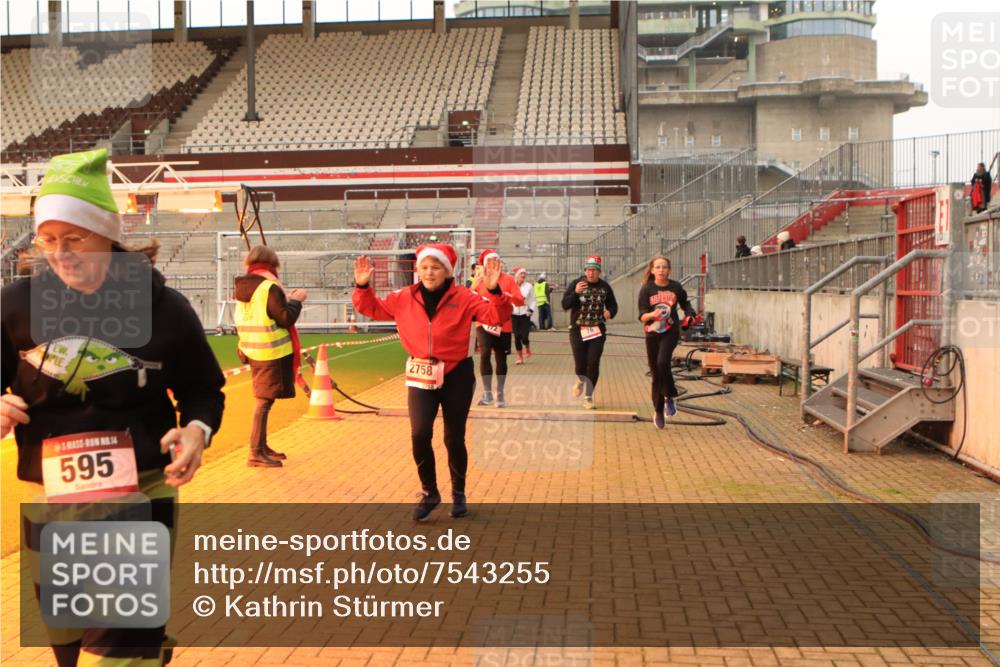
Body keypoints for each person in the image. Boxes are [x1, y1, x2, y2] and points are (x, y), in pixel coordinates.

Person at [0, 148, 225, 666]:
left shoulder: (163, 307)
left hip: (140, 489)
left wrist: (196, 430)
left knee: (118, 645)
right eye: (48, 239)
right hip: (51, 493)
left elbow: (204, 389)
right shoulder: (15, 306)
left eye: (75, 238)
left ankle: (140, 644)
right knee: (65, 627)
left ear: (107, 234)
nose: (60, 253)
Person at [352, 244, 512, 520]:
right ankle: (430, 492)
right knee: (419, 433)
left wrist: (495, 290)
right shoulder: (404, 296)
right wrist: (362, 286)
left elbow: (497, 316)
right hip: (421, 373)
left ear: (447, 271)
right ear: (418, 270)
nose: (429, 272)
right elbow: (372, 309)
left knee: (453, 437)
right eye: (424, 267)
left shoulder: (464, 297)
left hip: (457, 374)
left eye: (435, 267)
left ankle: (458, 493)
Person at [233, 245, 307, 468]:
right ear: (273, 264)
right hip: (271, 352)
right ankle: (255, 452)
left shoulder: (245, 287)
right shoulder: (268, 287)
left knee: (265, 400)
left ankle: (261, 446)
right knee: (263, 402)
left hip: (252, 350)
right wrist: (296, 301)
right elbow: (285, 318)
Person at [638, 256, 697, 429]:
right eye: (658, 267)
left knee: (663, 362)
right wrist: (652, 315)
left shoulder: (675, 287)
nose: (661, 270)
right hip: (652, 332)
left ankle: (670, 395)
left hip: (670, 330)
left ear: (669, 270)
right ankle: (658, 410)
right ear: (652, 270)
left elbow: (686, 303)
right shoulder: (646, 289)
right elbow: (642, 315)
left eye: (664, 267)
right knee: (656, 373)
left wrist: (690, 315)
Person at [561, 255, 618, 409]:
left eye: (594, 270)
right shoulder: (576, 284)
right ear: (585, 271)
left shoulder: (605, 287)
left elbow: (613, 306)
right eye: (588, 270)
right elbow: (565, 304)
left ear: (599, 272)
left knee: (593, 363)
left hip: (597, 330)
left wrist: (610, 313)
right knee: (580, 366)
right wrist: (576, 293)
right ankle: (580, 380)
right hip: (577, 330)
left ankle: (588, 396)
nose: (591, 273)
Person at [470, 249, 524, 408]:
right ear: (484, 264)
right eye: (490, 261)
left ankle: (499, 392)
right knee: (485, 353)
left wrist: (506, 296)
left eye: (496, 261)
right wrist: (473, 287)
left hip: (503, 325)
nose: (493, 264)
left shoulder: (508, 279)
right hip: (483, 323)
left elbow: (520, 300)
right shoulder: (479, 279)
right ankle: (487, 392)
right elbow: (467, 299)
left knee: (501, 359)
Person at [511, 266, 537, 365]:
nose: (523, 276)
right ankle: (520, 357)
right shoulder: (511, 286)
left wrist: (531, 309)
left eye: (524, 274)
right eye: (521, 274)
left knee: (524, 336)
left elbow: (533, 300)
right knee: (517, 336)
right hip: (514, 314)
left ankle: (527, 346)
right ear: (516, 276)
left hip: (525, 314)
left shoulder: (529, 286)